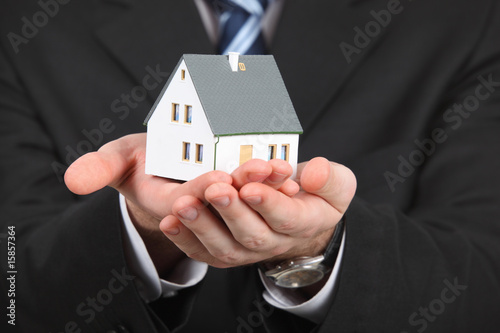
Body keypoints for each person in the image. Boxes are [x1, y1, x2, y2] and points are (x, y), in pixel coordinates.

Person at [1, 0, 499, 332]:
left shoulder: (466, 18)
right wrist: (143, 234)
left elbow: (486, 289)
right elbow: (10, 293)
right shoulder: (20, 20)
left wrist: (318, 254)